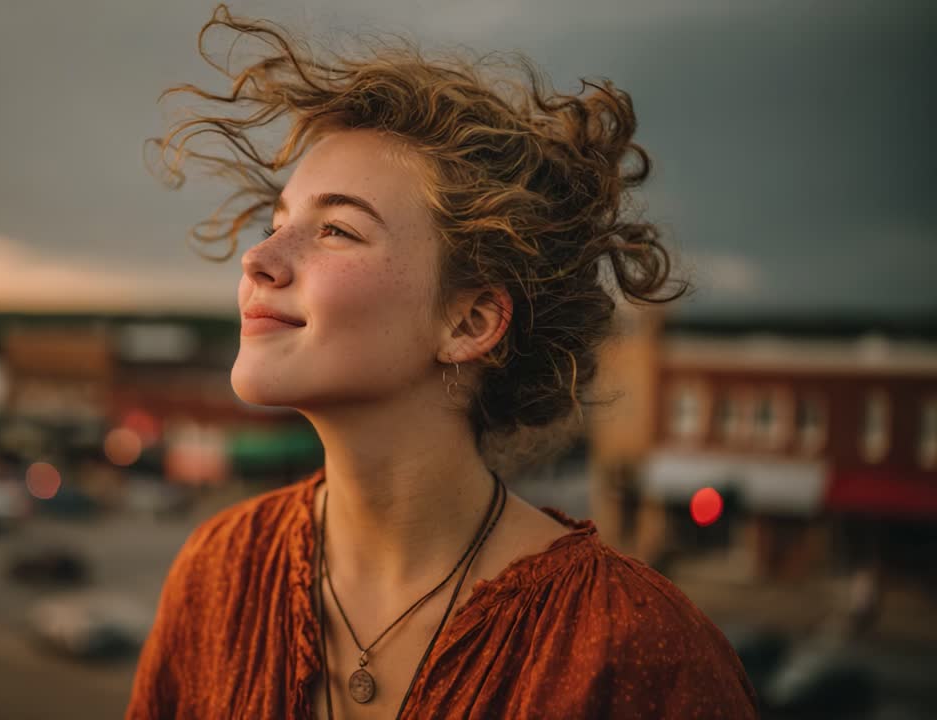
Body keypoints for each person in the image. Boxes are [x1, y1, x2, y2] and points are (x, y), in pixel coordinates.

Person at [126, 5, 758, 719]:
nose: (258, 259)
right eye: (277, 223)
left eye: (337, 230)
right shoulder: (220, 576)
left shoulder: (636, 650)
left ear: (470, 322)